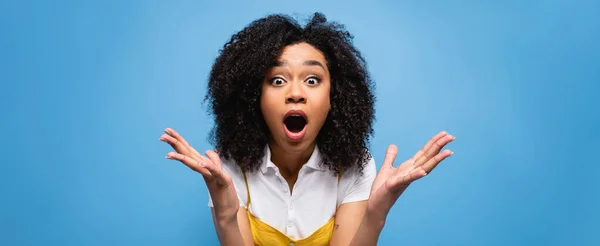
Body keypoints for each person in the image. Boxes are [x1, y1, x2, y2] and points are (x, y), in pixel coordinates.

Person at [160, 12, 454, 246]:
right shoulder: (228, 168)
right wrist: (226, 216)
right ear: (254, 97)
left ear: (334, 97)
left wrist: (376, 215)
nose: (295, 93)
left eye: (312, 80)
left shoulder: (355, 166)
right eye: (277, 80)